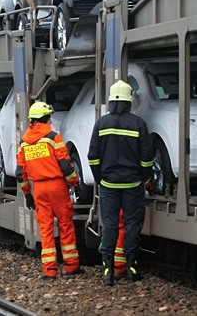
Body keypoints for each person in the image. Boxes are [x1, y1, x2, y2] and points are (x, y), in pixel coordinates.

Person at [88, 80, 153, 286]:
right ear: (129, 101)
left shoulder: (101, 124)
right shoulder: (138, 124)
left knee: (110, 226)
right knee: (132, 224)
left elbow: (93, 157)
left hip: (109, 185)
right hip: (133, 185)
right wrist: (143, 177)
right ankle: (132, 270)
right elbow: (146, 158)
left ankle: (107, 272)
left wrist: (100, 178)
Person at [16, 101, 84, 280]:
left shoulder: (24, 143)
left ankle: (49, 271)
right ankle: (71, 267)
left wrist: (28, 195)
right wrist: (75, 183)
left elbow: (20, 174)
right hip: (57, 187)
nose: (51, 122)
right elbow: (66, 165)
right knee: (66, 225)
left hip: (38, 189)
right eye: (49, 118)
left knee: (45, 229)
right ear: (45, 118)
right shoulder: (53, 138)